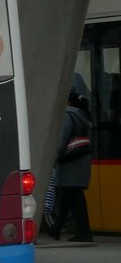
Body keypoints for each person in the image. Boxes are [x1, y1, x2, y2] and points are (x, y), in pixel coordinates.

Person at [50, 90, 94, 242]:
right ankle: (55, 230)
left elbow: (61, 140)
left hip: (69, 164)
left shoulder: (67, 115)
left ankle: (85, 233)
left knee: (73, 197)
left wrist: (52, 160)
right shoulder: (82, 115)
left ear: (67, 102)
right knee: (67, 197)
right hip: (80, 161)